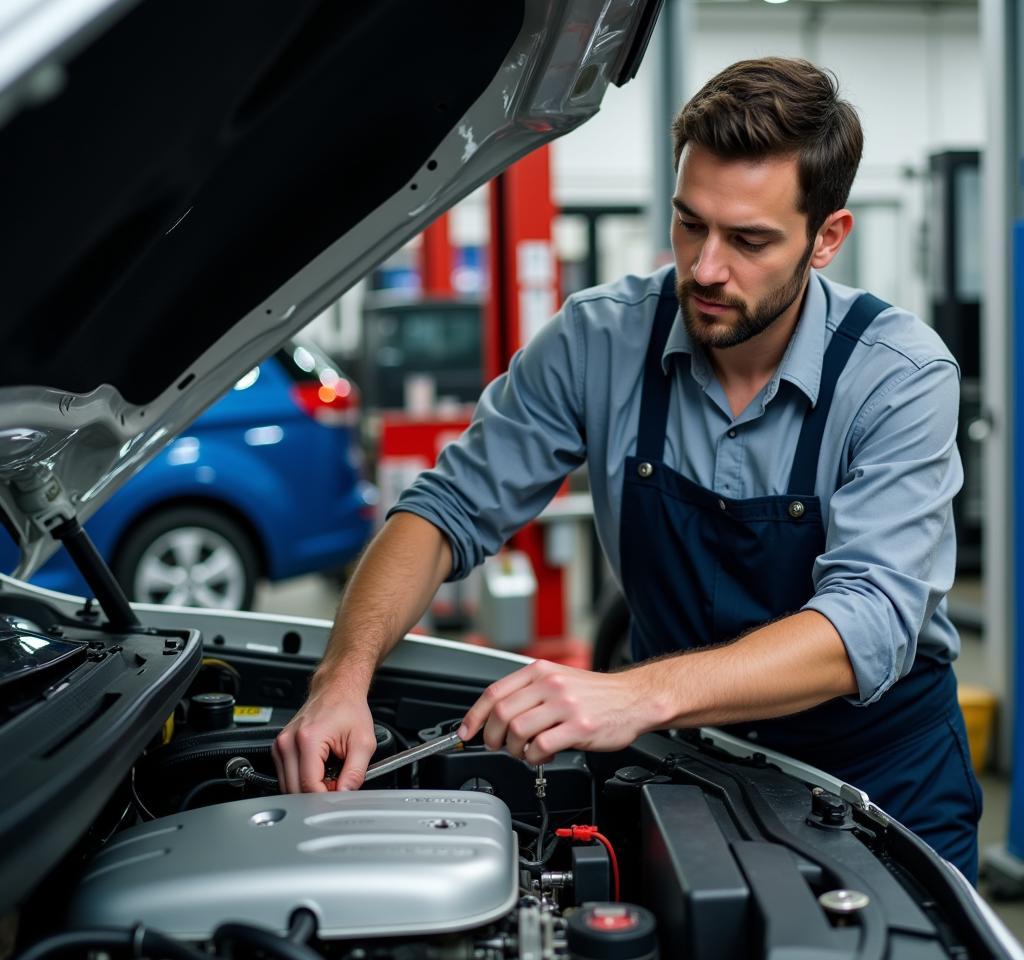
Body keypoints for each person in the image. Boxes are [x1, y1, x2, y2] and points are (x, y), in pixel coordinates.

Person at [273, 57, 982, 881]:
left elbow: (869, 620)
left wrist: (632, 694)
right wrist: (342, 677)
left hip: (882, 782)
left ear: (827, 238)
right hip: (688, 770)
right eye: (690, 225)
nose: (706, 268)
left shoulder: (898, 374)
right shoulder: (600, 339)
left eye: (749, 239)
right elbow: (444, 510)